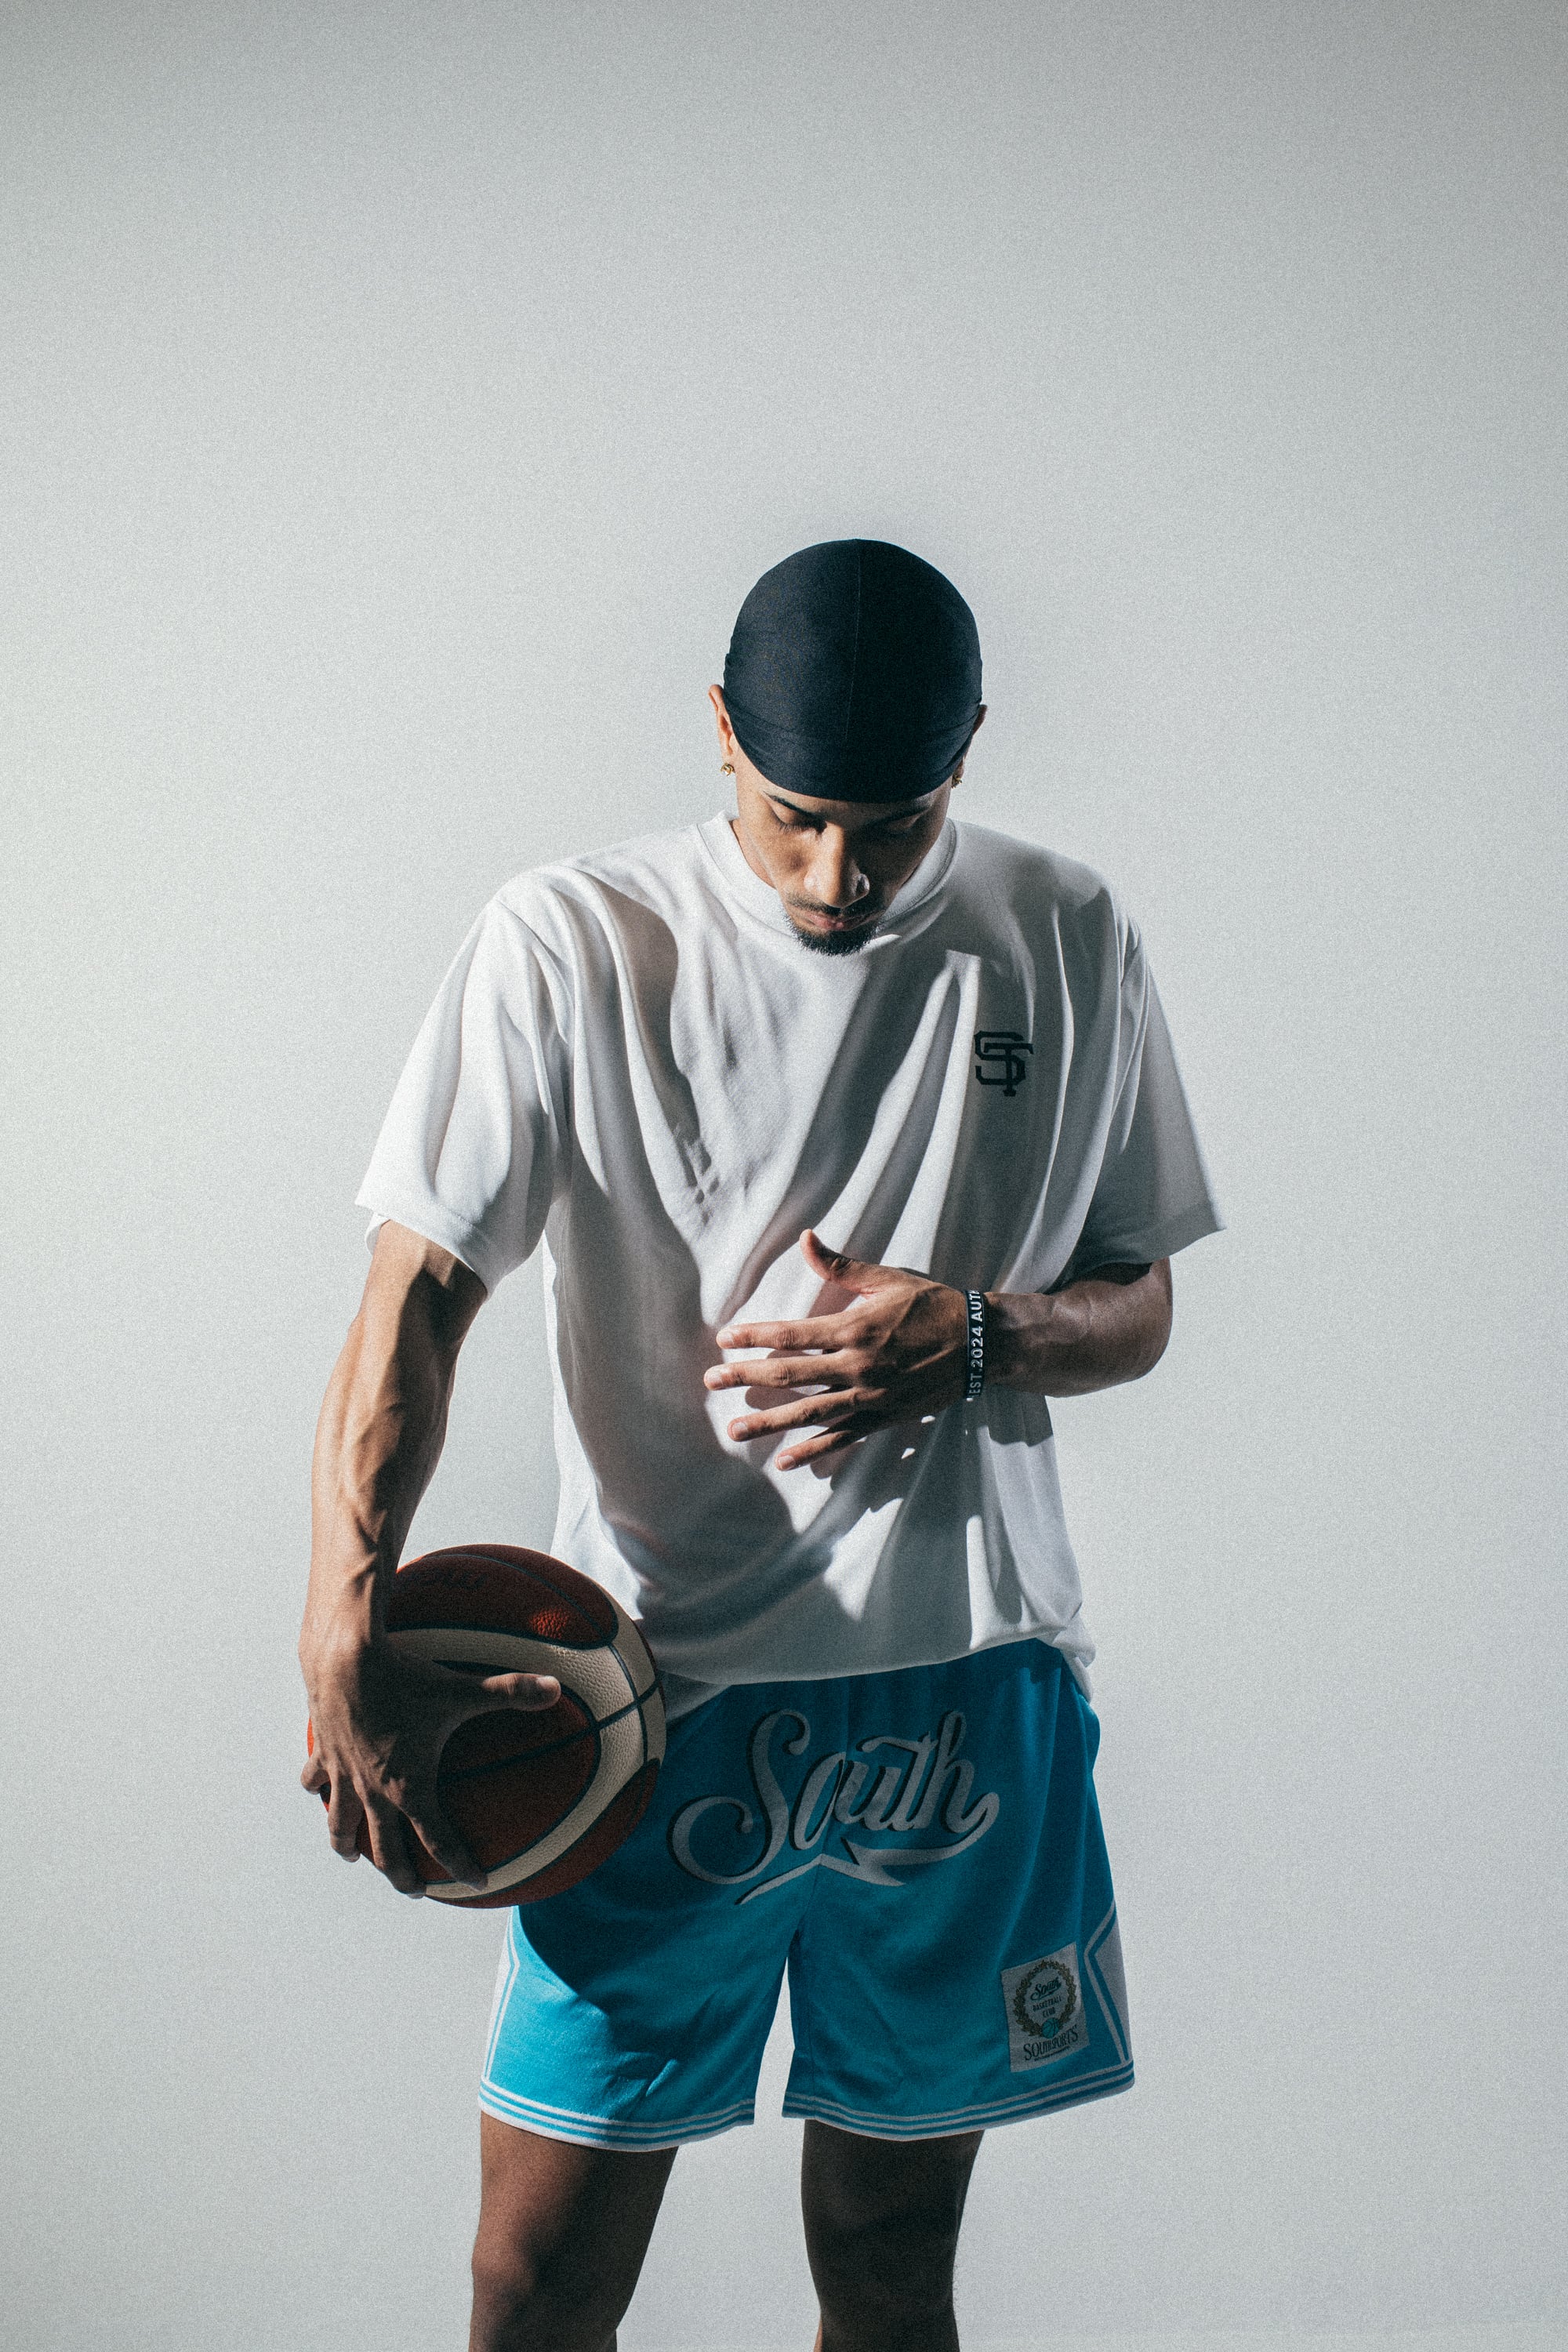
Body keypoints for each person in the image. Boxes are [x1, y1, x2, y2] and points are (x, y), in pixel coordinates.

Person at [299, 538, 1223, 2352]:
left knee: (888, 2254)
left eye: (891, 825)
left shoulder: (1065, 926)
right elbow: (415, 1295)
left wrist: (979, 1334)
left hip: (962, 1691)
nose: (836, 876)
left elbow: (1137, 1301)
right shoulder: (568, 939)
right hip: (650, 1702)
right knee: (539, 2279)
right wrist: (341, 1624)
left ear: (967, 755)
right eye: (797, 818)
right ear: (721, 730)